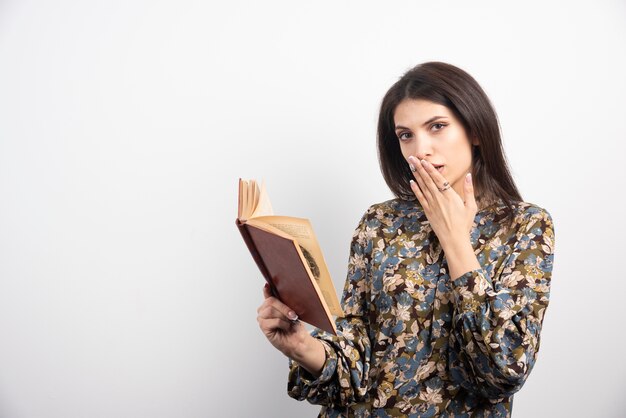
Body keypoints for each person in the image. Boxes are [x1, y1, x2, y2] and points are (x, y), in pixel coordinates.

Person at [256, 61, 555, 417]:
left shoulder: (525, 226)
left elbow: (503, 371)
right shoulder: (380, 222)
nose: (420, 149)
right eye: (406, 135)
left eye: (438, 127)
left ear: (475, 129)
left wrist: (455, 240)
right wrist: (302, 346)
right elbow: (355, 364)